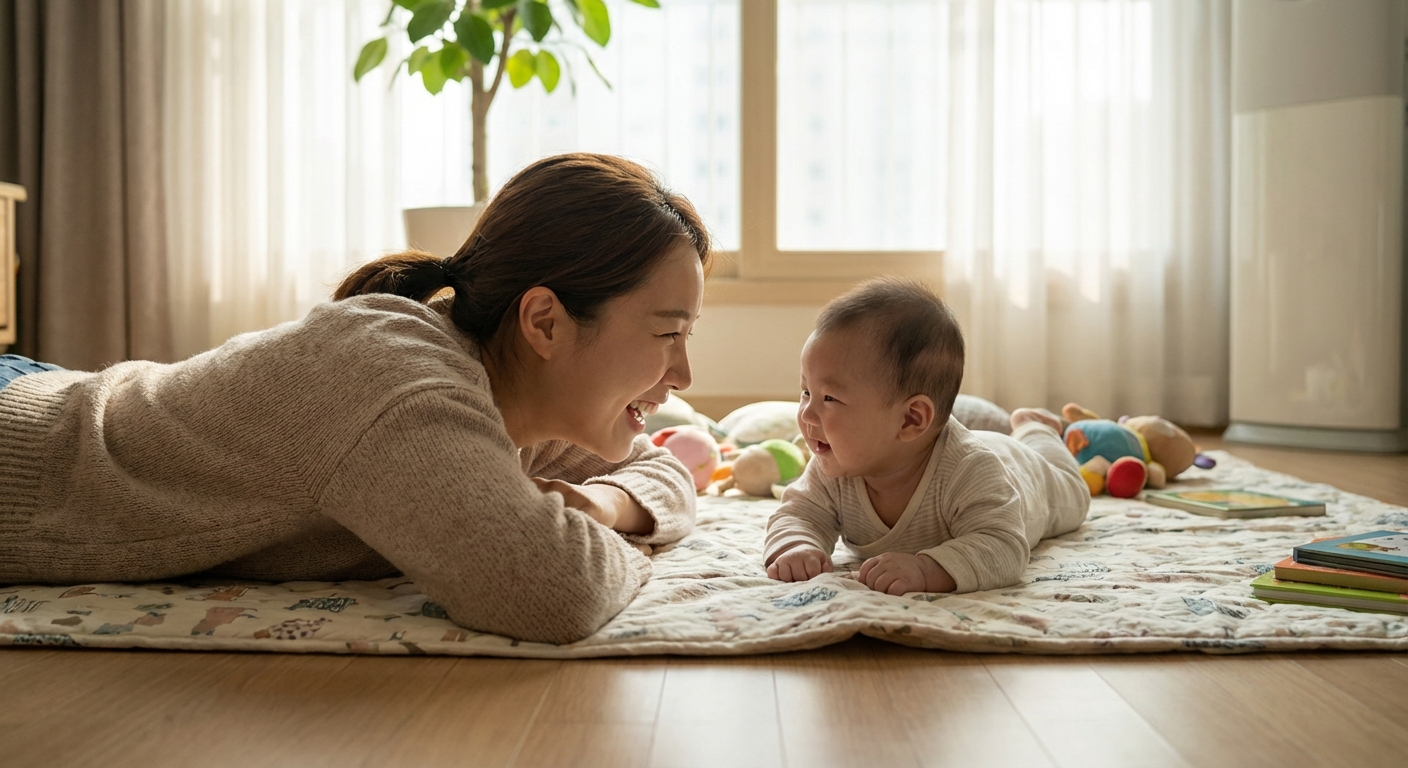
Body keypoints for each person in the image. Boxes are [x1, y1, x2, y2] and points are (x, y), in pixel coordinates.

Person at [0, 153, 709, 644]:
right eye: (668, 333)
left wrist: (605, 505)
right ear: (545, 322)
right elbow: (555, 591)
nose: (682, 374)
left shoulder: (515, 389)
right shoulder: (400, 386)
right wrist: (605, 540)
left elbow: (668, 470)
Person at [764, 277, 1089, 595]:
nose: (806, 414)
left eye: (829, 399)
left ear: (910, 419)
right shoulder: (833, 466)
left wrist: (925, 569)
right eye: (806, 392)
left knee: (1076, 495)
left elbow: (1003, 548)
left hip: (1025, 472)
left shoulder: (971, 472)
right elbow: (799, 513)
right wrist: (797, 545)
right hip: (987, 450)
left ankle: (1035, 428)